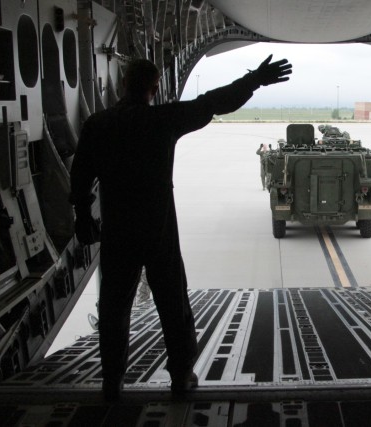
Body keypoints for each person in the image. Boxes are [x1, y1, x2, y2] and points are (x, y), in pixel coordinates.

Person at [70, 55, 292, 401]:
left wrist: (83, 215)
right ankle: (181, 375)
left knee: (114, 308)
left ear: (125, 83)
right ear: (154, 87)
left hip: (117, 230)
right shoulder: (162, 119)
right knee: (173, 304)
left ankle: (112, 381)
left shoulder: (98, 125)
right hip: (157, 228)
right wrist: (255, 80)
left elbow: (80, 174)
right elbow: (213, 103)